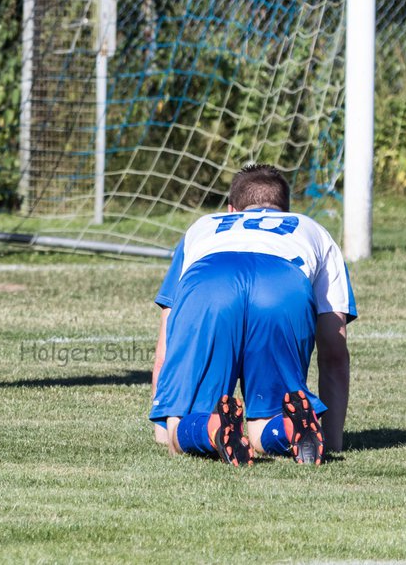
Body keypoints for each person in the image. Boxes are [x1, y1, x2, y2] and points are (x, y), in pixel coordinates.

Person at [149, 164, 355, 466]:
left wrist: (165, 423)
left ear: (232, 209)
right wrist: (334, 441)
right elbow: (335, 351)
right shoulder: (311, 229)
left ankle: (211, 429)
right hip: (283, 283)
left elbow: (166, 340)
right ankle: (290, 427)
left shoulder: (204, 226)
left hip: (211, 281)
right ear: (286, 210)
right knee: (262, 430)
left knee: (182, 428)